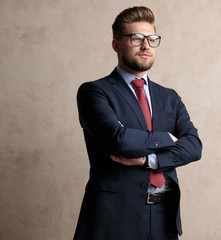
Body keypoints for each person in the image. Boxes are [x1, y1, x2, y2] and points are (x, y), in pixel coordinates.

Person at [73, 6, 202, 240]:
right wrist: (169, 139)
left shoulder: (169, 97)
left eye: (152, 39)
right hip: (113, 217)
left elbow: (194, 147)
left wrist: (147, 159)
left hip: (164, 215)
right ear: (116, 45)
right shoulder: (94, 92)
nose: (146, 46)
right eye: (136, 39)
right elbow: (119, 141)